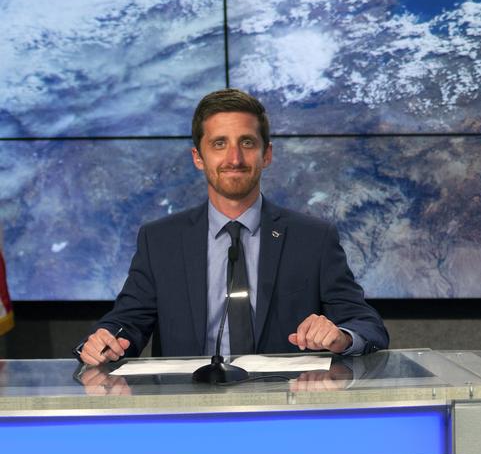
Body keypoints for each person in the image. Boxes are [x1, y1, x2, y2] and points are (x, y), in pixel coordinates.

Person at [78, 89, 388, 365]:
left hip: (285, 409)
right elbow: (127, 322)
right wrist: (104, 341)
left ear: (266, 154)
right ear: (199, 157)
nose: (234, 158)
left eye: (247, 143)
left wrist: (341, 336)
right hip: (189, 410)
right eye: (219, 144)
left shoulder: (313, 238)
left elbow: (366, 325)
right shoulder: (160, 240)